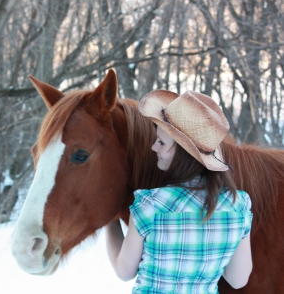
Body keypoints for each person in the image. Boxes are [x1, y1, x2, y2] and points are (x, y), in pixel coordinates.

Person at [105, 89, 253, 293]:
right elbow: (238, 279)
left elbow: (124, 271)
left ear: (184, 153)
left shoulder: (150, 206)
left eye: (162, 142)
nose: (154, 148)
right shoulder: (238, 206)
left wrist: (110, 222)